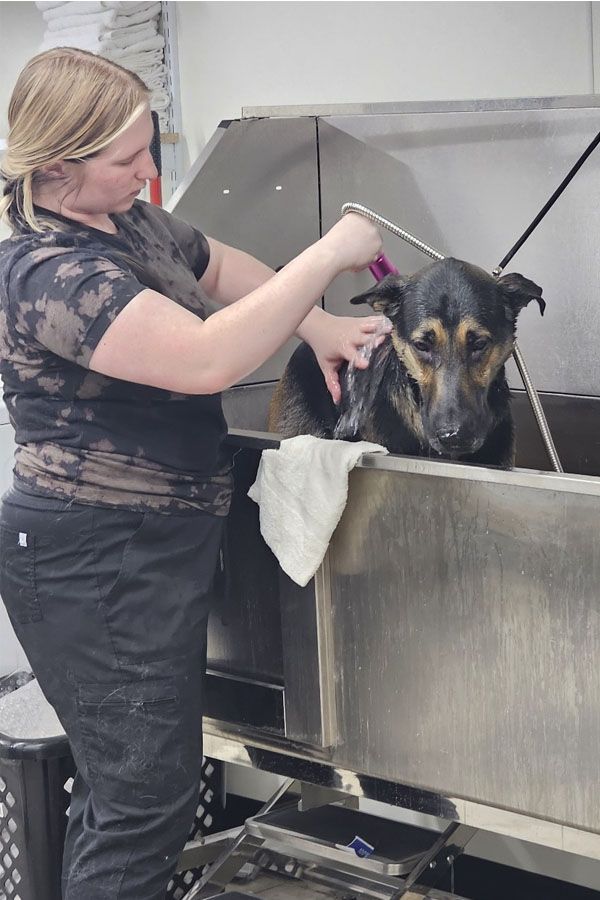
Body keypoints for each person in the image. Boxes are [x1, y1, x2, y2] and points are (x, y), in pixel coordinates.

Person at [0, 48, 385, 900]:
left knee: (130, 796)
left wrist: (317, 325)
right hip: (92, 557)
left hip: (147, 543)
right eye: (126, 159)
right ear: (58, 164)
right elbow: (206, 358)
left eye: (151, 149)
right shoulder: (47, 272)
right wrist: (326, 256)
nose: (147, 172)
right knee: (142, 805)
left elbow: (214, 268)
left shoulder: (124, 221)